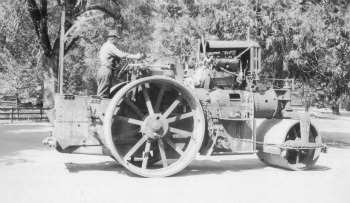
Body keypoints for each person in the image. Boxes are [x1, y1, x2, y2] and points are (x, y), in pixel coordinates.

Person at [97, 30, 142, 98]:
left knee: (102, 92)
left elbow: (117, 56)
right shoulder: (110, 46)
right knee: (103, 95)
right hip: (106, 70)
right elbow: (121, 54)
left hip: (102, 70)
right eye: (117, 39)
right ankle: (100, 107)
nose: (118, 41)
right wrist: (136, 56)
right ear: (113, 38)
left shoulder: (105, 45)